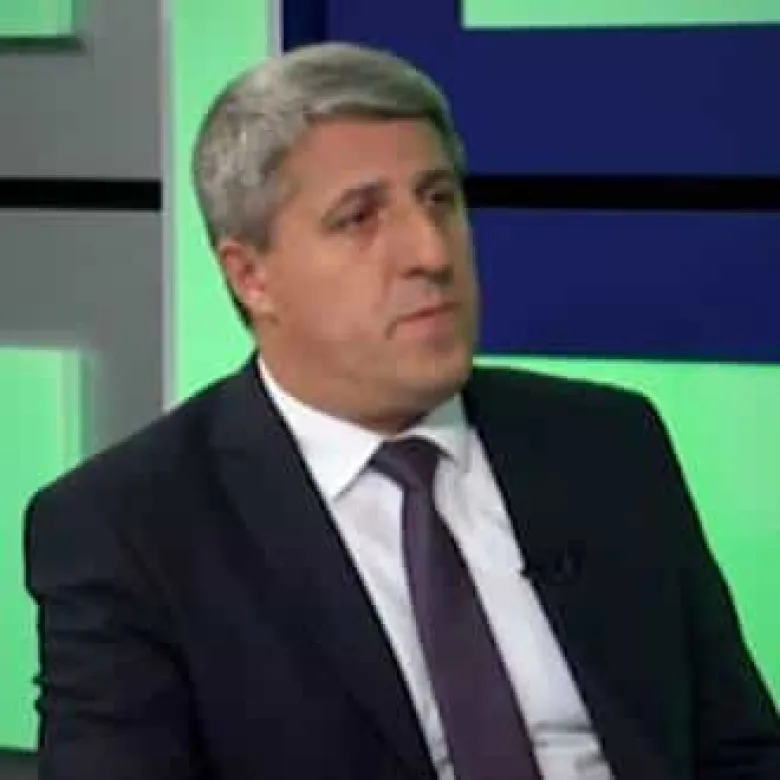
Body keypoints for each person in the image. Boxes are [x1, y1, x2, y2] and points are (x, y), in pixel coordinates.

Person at [24, 41, 779, 780]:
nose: (431, 253)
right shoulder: (129, 529)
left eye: (439, 199)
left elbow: (741, 751)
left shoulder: (605, 444)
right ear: (251, 275)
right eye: (360, 217)